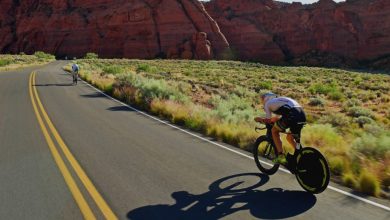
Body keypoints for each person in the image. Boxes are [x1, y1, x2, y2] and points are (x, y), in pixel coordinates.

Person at [254, 92, 306, 165]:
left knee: (274, 130)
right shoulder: (279, 101)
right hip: (302, 115)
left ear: (266, 98)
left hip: (292, 115)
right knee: (290, 137)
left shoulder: (268, 104)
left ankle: (281, 156)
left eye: (262, 99)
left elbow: (268, 120)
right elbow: (277, 118)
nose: (262, 101)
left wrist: (260, 119)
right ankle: (301, 156)